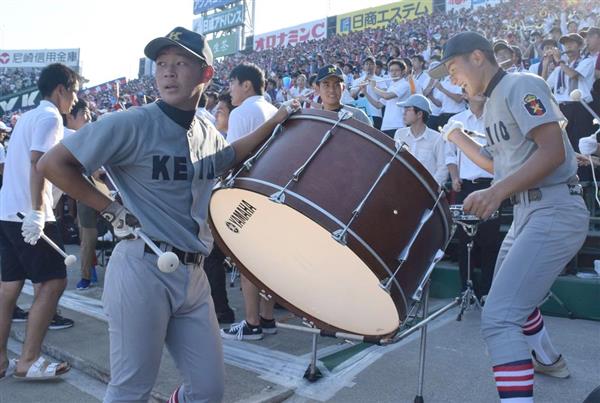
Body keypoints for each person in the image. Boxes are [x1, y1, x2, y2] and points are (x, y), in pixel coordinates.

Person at [38, 27, 300, 402]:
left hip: (193, 275)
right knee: (131, 389)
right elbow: (53, 163)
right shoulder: (131, 122)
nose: (168, 72)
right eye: (161, 63)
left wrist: (275, 123)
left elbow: (230, 158)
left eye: (181, 63)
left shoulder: (206, 131)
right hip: (143, 266)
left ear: (206, 74)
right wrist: (110, 208)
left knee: (208, 391)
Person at [431, 31, 589, 402]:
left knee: (500, 317)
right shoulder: (490, 105)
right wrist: (459, 140)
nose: (453, 79)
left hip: (554, 205)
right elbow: (499, 165)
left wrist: (497, 191)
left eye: (453, 68)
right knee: (509, 297)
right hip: (527, 211)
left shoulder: (520, 84)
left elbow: (551, 153)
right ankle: (549, 360)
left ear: (477, 57)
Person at [0, 63, 79, 381]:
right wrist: (36, 212)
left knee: (8, 289)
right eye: (73, 92)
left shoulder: (28, 116)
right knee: (53, 282)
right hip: (31, 215)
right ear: (61, 89)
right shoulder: (50, 117)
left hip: (7, 212)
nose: (74, 100)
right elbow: (40, 164)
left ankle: (2, 360)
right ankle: (28, 360)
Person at [221, 62, 278, 341]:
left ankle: (252, 322)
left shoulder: (243, 111)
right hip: (274, 196)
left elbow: (230, 157)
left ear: (246, 84)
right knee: (268, 261)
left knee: (246, 261)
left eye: (232, 83)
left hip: (248, 194)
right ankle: (267, 318)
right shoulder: (272, 109)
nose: (229, 90)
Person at [445, 91, 501, 300]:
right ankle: (465, 290)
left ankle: (487, 291)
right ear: (464, 94)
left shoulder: (497, 119)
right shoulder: (455, 121)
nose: (479, 93)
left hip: (491, 186)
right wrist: (454, 177)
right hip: (465, 186)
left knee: (490, 241)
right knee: (465, 241)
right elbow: (449, 154)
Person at [64, 99, 98, 290]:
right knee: (88, 236)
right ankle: (86, 274)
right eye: (84, 112)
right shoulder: (70, 137)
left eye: (88, 112)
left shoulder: (97, 131)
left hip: (108, 192)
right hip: (86, 192)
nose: (88, 116)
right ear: (71, 116)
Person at [394, 94, 448, 186]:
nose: (404, 113)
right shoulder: (399, 134)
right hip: (402, 187)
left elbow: (443, 168)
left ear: (419, 114)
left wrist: (432, 187)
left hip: (426, 192)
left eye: (408, 109)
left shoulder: (437, 138)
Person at [361, 59, 409, 136]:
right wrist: (365, 93)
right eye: (391, 71)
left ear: (403, 71)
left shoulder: (405, 84)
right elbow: (378, 105)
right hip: (386, 125)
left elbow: (387, 96)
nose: (394, 73)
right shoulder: (392, 86)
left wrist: (374, 88)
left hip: (398, 124)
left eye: (397, 70)